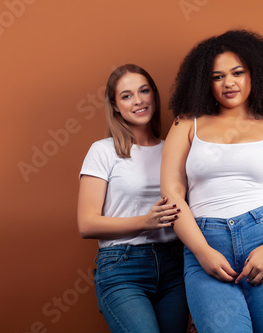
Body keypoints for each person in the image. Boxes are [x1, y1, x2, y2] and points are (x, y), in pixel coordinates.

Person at [161, 30, 263, 333]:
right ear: (205, 82)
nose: (229, 83)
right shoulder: (187, 124)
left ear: (255, 74)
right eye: (218, 76)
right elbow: (172, 193)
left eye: (238, 73)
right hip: (204, 241)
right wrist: (201, 251)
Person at [77, 64, 189, 333]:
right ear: (115, 106)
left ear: (154, 95)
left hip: (176, 264)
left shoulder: (174, 148)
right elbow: (87, 224)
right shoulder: (103, 151)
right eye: (126, 96)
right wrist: (145, 222)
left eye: (144, 91)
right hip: (122, 266)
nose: (138, 100)